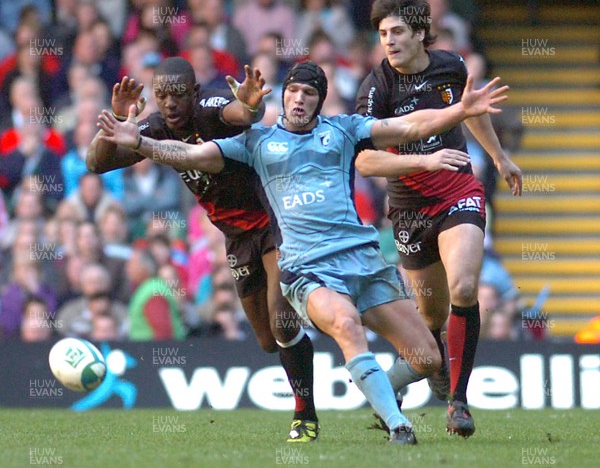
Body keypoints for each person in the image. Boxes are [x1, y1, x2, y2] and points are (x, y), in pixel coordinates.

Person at [96, 60, 509, 445]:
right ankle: (396, 425)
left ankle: (379, 387)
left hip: (364, 262)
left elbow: (407, 127)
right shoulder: (256, 143)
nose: (299, 99)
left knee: (426, 358)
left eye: (308, 93)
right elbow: (192, 154)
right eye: (292, 90)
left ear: (319, 101)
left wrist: (458, 112)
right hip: (308, 268)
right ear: (283, 97)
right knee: (341, 325)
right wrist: (143, 144)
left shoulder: (345, 131)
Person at [87, 57, 320, 442]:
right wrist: (114, 122)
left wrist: (250, 104)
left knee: (281, 321)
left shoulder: (210, 109)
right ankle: (314, 316)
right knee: (266, 340)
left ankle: (304, 415)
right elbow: (96, 163)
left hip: (273, 221)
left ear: (194, 93)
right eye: (161, 95)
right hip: (235, 236)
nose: (170, 102)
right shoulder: (155, 128)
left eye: (178, 94)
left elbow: (242, 113)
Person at [354, 0, 522, 437]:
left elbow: (472, 113)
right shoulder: (376, 88)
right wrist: (423, 161)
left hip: (458, 192)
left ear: (421, 33)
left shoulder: (451, 66)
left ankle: (459, 402)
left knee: (465, 286)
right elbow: (365, 161)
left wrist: (500, 158)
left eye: (398, 32)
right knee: (430, 320)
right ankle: (419, 374)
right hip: (409, 210)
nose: (388, 41)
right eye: (383, 33)